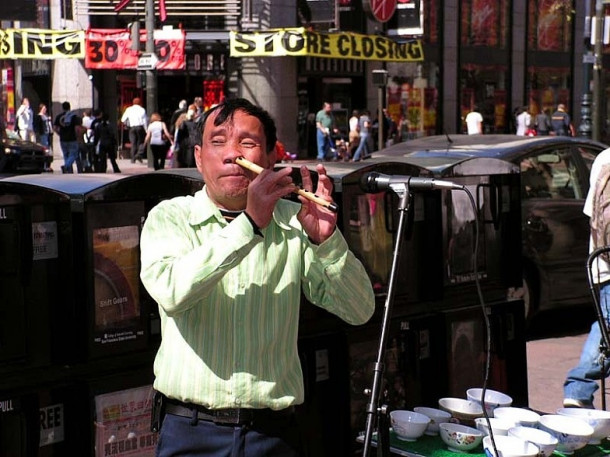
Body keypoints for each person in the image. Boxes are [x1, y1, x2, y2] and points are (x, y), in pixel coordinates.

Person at [139, 97, 374, 456]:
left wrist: (326, 241)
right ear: (199, 158)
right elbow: (172, 291)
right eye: (218, 142)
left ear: (268, 160)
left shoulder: (295, 223)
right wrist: (250, 224)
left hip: (272, 433)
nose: (233, 154)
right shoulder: (170, 218)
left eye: (247, 143)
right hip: (190, 430)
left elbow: (360, 311)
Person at [563, 146, 610, 408]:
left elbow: (592, 216)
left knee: (607, 325)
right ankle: (578, 388)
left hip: (602, 261)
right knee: (607, 328)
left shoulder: (604, 158)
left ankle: (578, 390)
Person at [53, 101, 82, 174]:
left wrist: (59, 133)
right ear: (69, 107)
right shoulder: (74, 116)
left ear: (62, 108)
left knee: (66, 155)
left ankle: (68, 171)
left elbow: (55, 128)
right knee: (74, 154)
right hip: (72, 138)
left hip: (63, 139)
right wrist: (78, 136)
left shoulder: (59, 117)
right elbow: (76, 128)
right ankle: (66, 166)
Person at [121, 97, 148, 163]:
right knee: (141, 142)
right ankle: (138, 154)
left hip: (132, 128)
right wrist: (146, 130)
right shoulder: (142, 110)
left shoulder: (129, 109)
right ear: (140, 103)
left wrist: (128, 124)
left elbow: (123, 119)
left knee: (133, 143)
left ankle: (133, 159)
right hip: (140, 127)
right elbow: (145, 121)